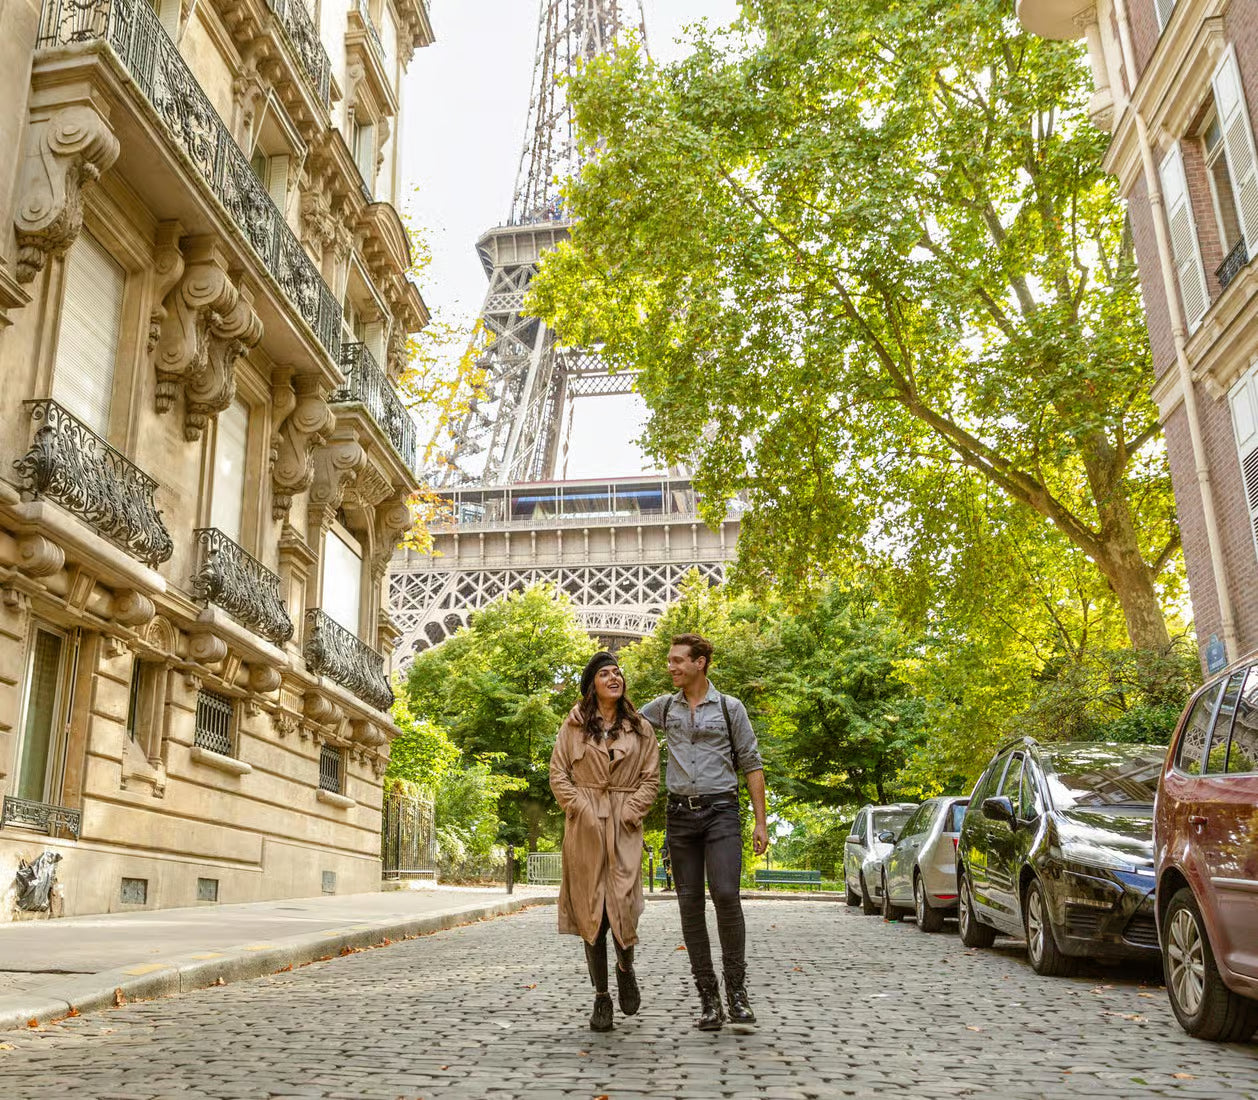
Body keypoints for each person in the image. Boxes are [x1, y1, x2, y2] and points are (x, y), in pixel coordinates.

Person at [639, 633, 768, 1031]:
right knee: (690, 905)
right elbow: (621, 722)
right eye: (669, 661)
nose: (671, 667)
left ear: (700, 663)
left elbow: (752, 764)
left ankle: (737, 994)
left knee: (727, 895)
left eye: (678, 660)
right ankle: (709, 998)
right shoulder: (663, 707)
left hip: (722, 812)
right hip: (679, 815)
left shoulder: (730, 708)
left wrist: (761, 821)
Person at [550, 651, 660, 1032]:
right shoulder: (573, 727)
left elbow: (651, 778)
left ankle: (625, 968)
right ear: (591, 686)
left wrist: (631, 811)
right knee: (591, 914)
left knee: (622, 908)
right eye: (605, 674)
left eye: (617, 672)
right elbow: (558, 773)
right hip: (586, 829)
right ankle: (601, 996)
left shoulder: (641, 729)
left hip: (624, 826)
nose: (614, 678)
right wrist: (579, 807)